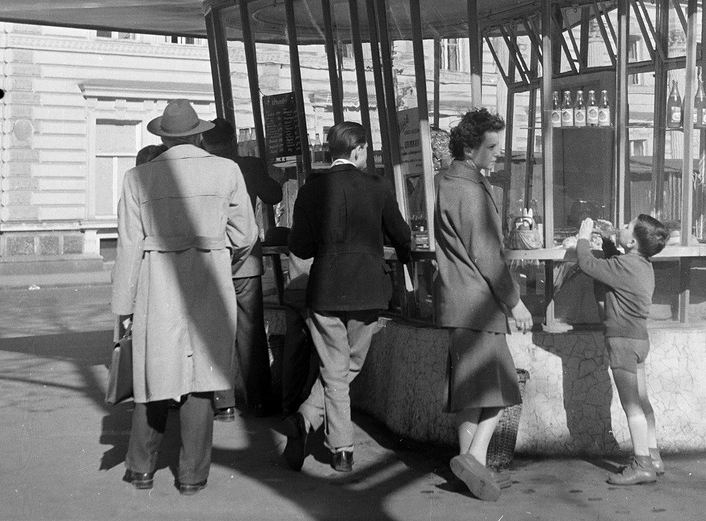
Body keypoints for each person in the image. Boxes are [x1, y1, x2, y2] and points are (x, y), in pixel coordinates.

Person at [111, 99, 257, 495]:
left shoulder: (136, 177)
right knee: (202, 375)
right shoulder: (227, 170)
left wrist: (123, 307)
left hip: (157, 279)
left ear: (163, 136)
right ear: (198, 133)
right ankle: (192, 475)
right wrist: (220, 252)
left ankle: (141, 468)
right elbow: (246, 236)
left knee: (154, 369)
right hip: (210, 275)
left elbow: (127, 246)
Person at [284, 121, 412, 473]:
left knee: (336, 369)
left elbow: (299, 246)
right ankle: (342, 448)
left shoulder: (311, 190)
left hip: (325, 291)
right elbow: (401, 234)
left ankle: (305, 419)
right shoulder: (377, 186)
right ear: (357, 150)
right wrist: (405, 257)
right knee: (348, 366)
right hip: (369, 290)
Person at [434, 108, 533, 503]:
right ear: (471, 147)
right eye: (490, 147)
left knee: (470, 394)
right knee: (500, 389)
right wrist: (517, 304)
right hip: (481, 304)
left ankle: (466, 465)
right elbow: (488, 256)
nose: (496, 154)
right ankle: (475, 458)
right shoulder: (471, 190)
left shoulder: (448, 182)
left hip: (456, 300)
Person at [575, 212, 670, 486]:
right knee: (642, 401)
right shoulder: (640, 264)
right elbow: (613, 268)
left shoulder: (625, 265)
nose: (623, 226)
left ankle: (641, 466)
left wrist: (583, 238)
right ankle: (653, 456)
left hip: (623, 345)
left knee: (631, 407)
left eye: (627, 226)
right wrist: (608, 241)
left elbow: (587, 264)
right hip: (639, 341)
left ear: (632, 242)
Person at [202, 118, 284, 420]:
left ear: (205, 141)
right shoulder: (248, 165)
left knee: (216, 329)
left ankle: (223, 401)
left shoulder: (202, 166)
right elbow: (274, 195)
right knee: (250, 331)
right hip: (246, 258)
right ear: (234, 139)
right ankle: (260, 400)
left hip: (211, 257)